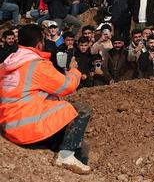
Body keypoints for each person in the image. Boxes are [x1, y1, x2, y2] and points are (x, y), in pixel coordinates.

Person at [0, 24, 91, 174]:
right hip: (25, 128)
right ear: (39, 44)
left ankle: (59, 146)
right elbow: (67, 87)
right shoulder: (36, 65)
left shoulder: (8, 63)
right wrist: (74, 70)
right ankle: (66, 156)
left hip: (7, 124)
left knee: (52, 99)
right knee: (80, 110)